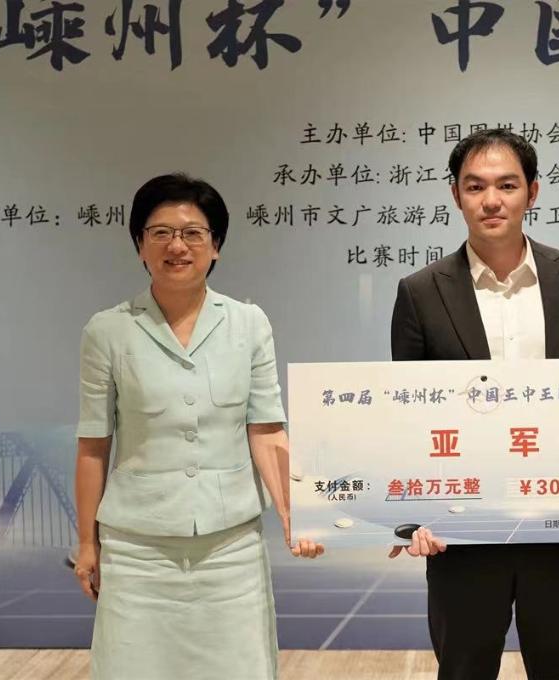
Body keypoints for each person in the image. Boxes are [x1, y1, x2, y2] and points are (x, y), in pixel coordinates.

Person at [389, 129, 559, 680]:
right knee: (463, 669)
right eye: (475, 186)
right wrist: (410, 516)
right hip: (463, 531)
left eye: (507, 185)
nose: (491, 200)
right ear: (455, 195)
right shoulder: (420, 291)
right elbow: (410, 415)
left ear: (533, 191)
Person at [73, 173, 323, 680]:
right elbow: (94, 445)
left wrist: (295, 515)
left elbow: (267, 429)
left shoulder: (249, 323)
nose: (177, 246)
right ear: (140, 245)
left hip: (230, 548)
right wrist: (86, 544)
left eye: (193, 233)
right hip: (137, 548)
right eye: (160, 233)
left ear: (216, 246)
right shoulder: (107, 330)